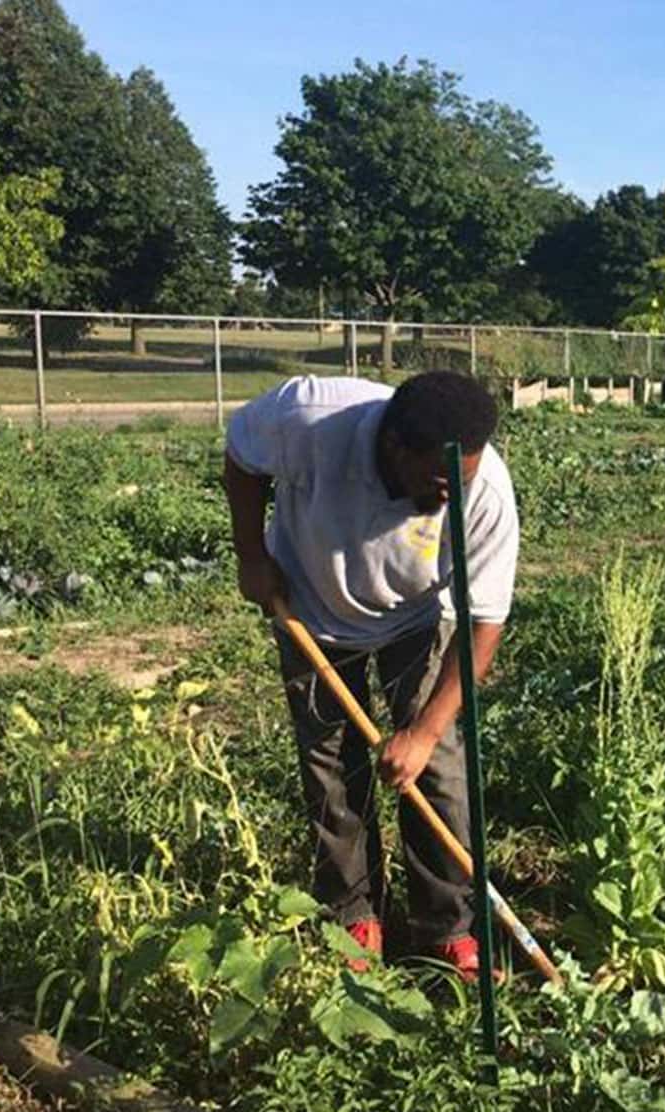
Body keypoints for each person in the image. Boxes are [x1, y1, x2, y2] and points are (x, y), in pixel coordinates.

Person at [222, 371, 519, 980]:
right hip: (309, 610)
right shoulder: (308, 418)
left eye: (459, 483)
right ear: (395, 448)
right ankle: (353, 914)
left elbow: (482, 624)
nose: (451, 501)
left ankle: (447, 926)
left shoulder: (483, 489)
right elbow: (242, 457)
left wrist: (425, 732)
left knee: (436, 770)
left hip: (415, 617)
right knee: (332, 769)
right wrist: (251, 554)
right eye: (439, 485)